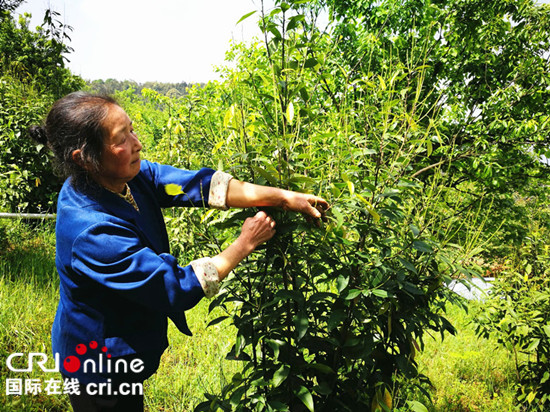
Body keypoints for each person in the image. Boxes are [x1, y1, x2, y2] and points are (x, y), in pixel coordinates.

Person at [29, 91, 328, 412]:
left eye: (132, 129)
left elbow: (193, 185)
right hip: (98, 366)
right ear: (82, 157)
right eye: (122, 138)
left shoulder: (121, 177)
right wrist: (244, 244)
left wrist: (282, 197)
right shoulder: (93, 232)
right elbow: (175, 288)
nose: (137, 142)